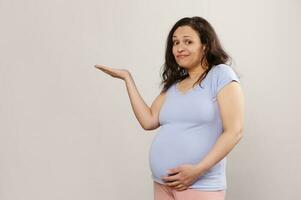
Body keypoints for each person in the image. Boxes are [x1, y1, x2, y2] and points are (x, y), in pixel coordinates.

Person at [95, 16, 244, 200]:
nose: (179, 48)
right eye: (175, 43)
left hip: (200, 185)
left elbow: (234, 131)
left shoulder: (220, 74)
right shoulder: (174, 85)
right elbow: (148, 120)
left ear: (204, 45)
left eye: (188, 41)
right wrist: (128, 79)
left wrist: (198, 170)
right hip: (162, 184)